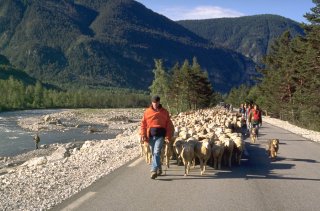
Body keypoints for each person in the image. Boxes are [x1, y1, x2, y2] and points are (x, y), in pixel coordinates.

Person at [140, 95, 173, 179]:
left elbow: (169, 125)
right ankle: (159, 169)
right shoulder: (147, 112)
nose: (155, 104)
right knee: (153, 153)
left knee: (157, 152)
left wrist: (168, 136)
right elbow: (143, 124)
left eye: (156, 102)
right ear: (152, 102)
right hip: (150, 136)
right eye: (153, 102)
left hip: (160, 136)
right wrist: (143, 135)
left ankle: (153, 170)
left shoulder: (164, 112)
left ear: (159, 102)